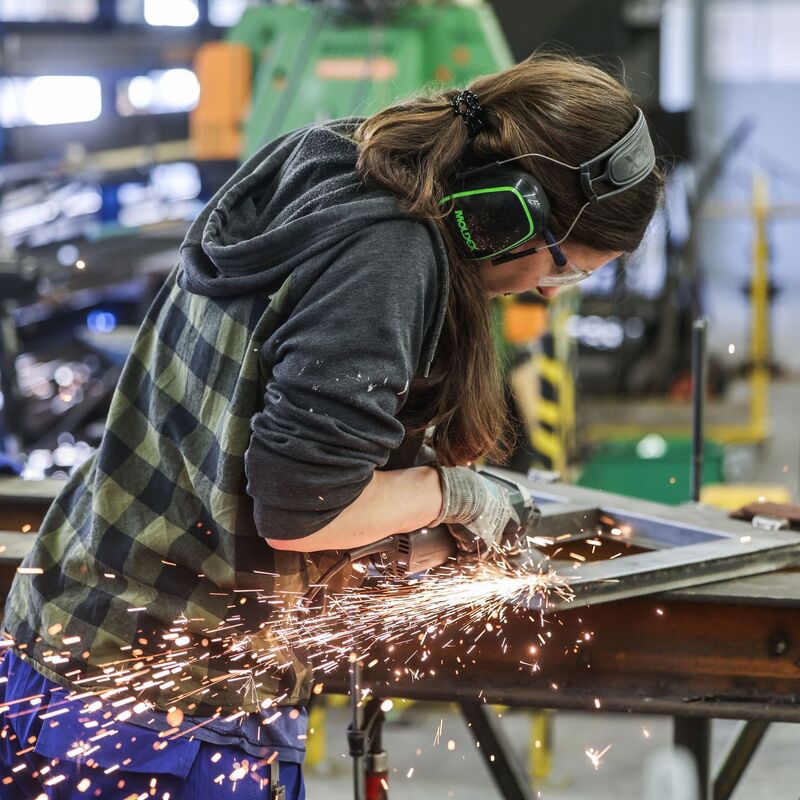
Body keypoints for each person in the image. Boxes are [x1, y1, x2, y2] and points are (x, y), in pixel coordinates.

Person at [0, 53, 663, 798]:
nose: (548, 289)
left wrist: (421, 536)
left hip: (68, 632)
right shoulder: (389, 258)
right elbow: (300, 508)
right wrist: (456, 495)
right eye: (564, 267)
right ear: (506, 212)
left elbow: (260, 449)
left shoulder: (341, 160)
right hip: (163, 720)